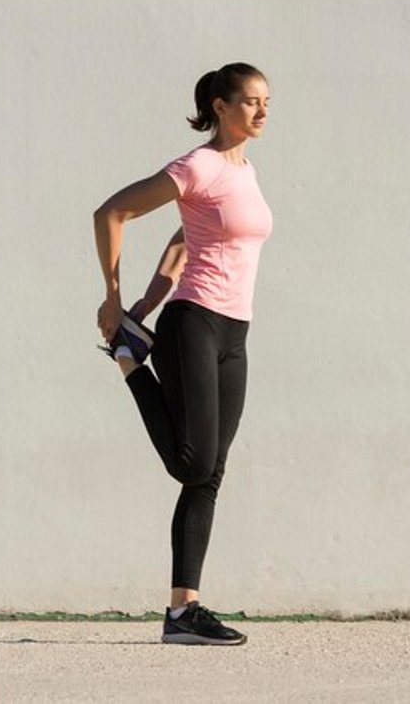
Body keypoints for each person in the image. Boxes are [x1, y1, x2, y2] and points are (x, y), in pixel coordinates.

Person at [93, 62, 273, 645]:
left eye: (267, 101)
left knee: (209, 475)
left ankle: (182, 612)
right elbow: (111, 212)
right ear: (220, 106)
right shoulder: (197, 165)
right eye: (250, 101)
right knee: (192, 462)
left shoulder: (245, 171)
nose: (263, 111)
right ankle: (129, 361)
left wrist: (149, 293)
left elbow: (186, 235)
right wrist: (115, 300)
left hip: (235, 333)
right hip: (193, 322)